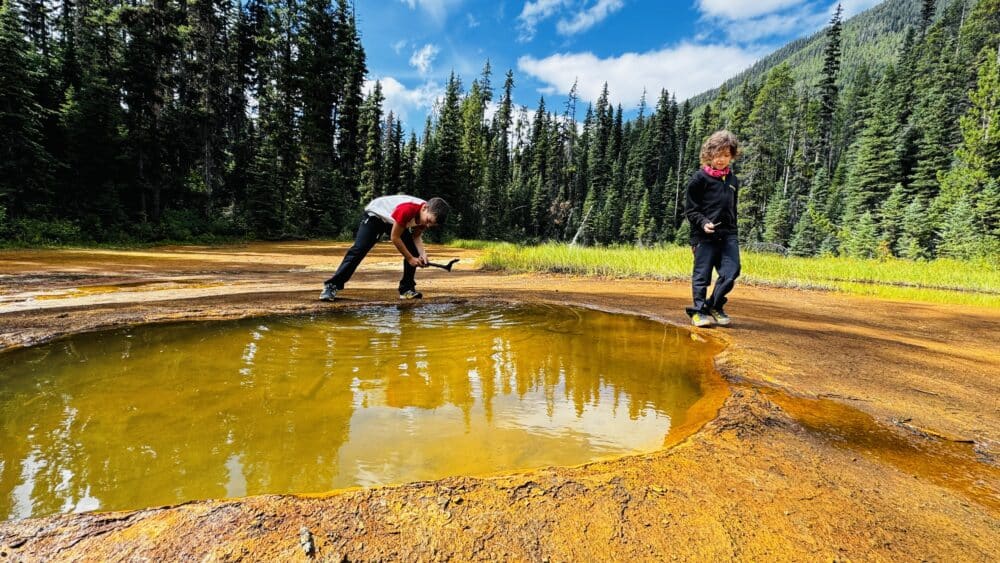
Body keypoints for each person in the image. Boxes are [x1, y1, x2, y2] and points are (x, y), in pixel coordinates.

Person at [320, 195, 450, 301]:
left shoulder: (425, 216)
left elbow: (416, 238)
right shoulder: (408, 209)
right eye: (428, 221)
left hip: (394, 221)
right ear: (425, 208)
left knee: (414, 251)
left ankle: (406, 290)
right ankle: (332, 285)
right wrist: (410, 259)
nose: (427, 225)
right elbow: (395, 237)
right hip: (377, 216)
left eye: (431, 224)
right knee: (359, 249)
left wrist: (423, 254)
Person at [683, 130, 741, 327]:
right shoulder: (699, 179)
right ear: (709, 154)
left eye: (726, 155)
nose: (721, 159)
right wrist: (702, 223)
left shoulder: (733, 180)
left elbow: (733, 208)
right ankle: (698, 312)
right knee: (702, 276)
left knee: (731, 272)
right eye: (717, 154)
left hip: (728, 235)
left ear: (732, 156)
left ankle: (714, 305)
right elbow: (691, 211)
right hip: (704, 236)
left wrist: (733, 230)